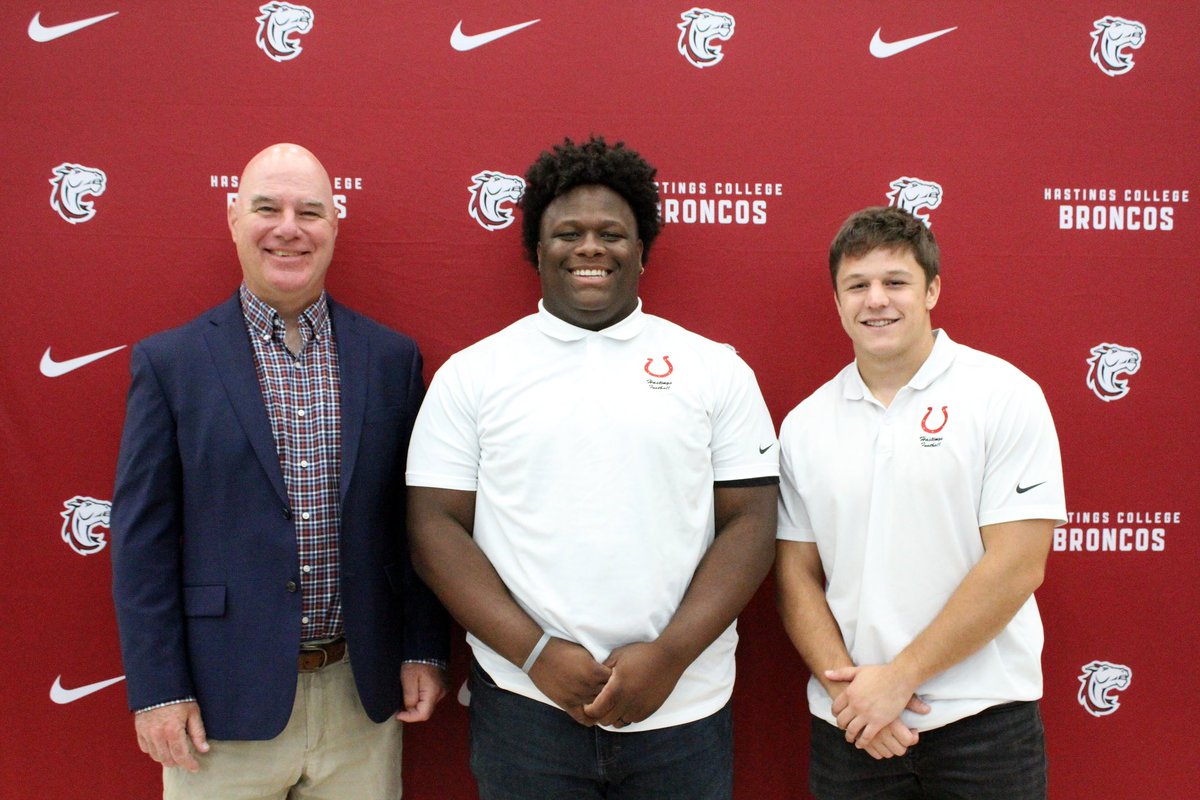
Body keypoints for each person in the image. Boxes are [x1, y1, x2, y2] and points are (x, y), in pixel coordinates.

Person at [405, 136, 778, 799]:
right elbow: (435, 530)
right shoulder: (474, 375)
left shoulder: (715, 369)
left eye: (612, 233)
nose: (590, 247)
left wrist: (668, 656)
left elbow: (751, 523)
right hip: (527, 711)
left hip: (681, 709)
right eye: (567, 232)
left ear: (642, 250)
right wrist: (536, 654)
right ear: (536, 249)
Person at [111, 143, 449, 799]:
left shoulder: (391, 359)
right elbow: (142, 542)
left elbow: (420, 524)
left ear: (333, 225)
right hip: (218, 705)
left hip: (360, 699)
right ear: (234, 219)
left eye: (309, 211)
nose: (288, 227)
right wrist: (158, 690)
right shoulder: (170, 364)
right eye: (267, 208)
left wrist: (424, 649)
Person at [775, 206, 1066, 799]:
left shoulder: (1003, 396)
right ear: (837, 302)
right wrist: (851, 697)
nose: (875, 300)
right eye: (857, 286)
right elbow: (793, 575)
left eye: (895, 282)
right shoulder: (805, 425)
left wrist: (898, 680)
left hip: (985, 727)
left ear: (932, 289)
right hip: (850, 729)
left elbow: (1017, 565)